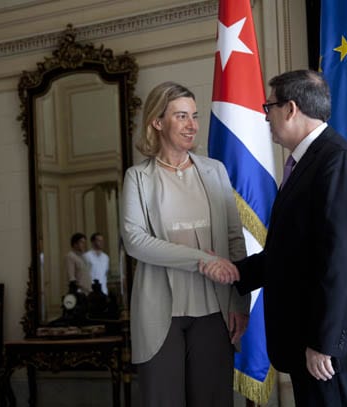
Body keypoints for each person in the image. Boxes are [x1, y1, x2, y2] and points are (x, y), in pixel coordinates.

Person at [202, 70, 347, 406]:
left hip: (332, 349)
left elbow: (341, 261)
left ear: (290, 109)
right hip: (311, 341)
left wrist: (324, 341)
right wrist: (236, 271)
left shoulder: (337, 161)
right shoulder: (308, 162)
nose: (265, 116)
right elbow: (292, 251)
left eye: (268, 107)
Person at [120, 81, 250, 407]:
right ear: (157, 122)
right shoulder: (137, 177)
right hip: (159, 315)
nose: (192, 125)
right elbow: (135, 241)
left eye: (194, 116)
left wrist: (239, 303)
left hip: (215, 313)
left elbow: (235, 240)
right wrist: (200, 259)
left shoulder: (215, 171)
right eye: (181, 116)